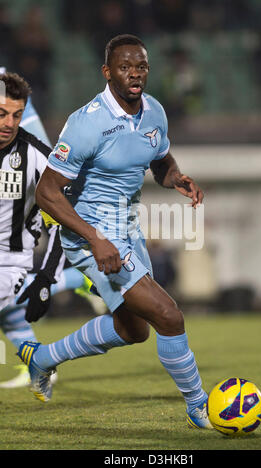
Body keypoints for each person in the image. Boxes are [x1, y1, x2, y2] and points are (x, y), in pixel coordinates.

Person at [18, 34, 212, 430]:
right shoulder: (87, 123)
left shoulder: (154, 111)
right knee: (168, 316)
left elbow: (159, 158)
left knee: (133, 329)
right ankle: (201, 406)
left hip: (127, 228)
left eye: (141, 66)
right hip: (92, 235)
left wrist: (174, 176)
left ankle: (42, 359)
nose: (134, 74)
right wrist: (95, 239)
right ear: (108, 72)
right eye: (125, 67)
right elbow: (47, 192)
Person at [0, 72, 66, 385]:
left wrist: (46, 276)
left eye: (17, 115)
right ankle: (39, 363)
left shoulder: (37, 156)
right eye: (2, 114)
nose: (9, 123)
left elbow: (64, 220)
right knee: (11, 320)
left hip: (8, 264)